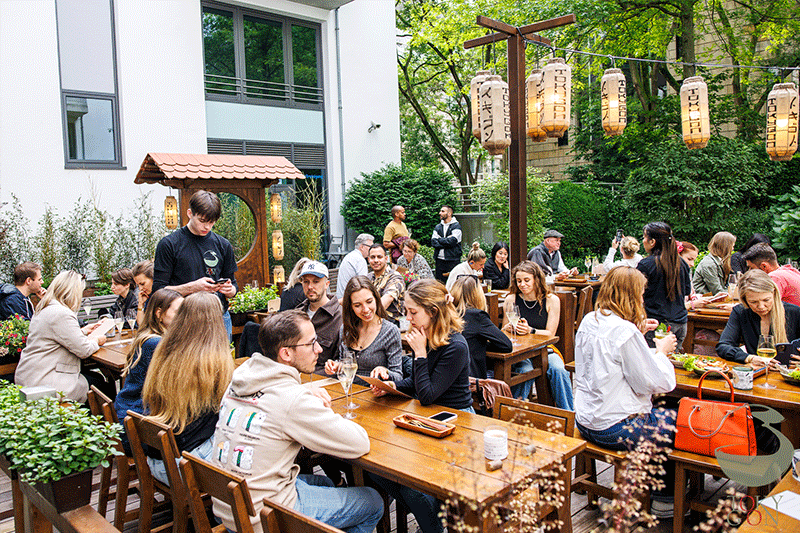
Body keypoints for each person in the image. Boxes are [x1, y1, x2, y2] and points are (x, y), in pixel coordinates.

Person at [212, 310, 384, 533]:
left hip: (228, 506)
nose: (319, 349)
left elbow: (274, 403)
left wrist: (303, 390)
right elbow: (359, 443)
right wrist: (311, 403)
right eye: (312, 343)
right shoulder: (291, 400)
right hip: (264, 517)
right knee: (372, 501)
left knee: (327, 483)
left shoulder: (242, 378)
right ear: (286, 354)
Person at [574, 266, 678, 517]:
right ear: (631, 295)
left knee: (663, 413)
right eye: (641, 294)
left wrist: (638, 334)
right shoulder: (624, 331)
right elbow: (655, 384)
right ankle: (665, 499)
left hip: (586, 420)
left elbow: (610, 362)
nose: (643, 299)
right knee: (681, 421)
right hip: (616, 430)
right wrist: (662, 351)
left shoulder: (591, 319)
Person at [370, 279, 472, 533]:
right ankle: (432, 520)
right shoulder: (427, 336)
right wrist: (389, 384)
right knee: (375, 470)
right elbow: (416, 383)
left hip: (456, 425)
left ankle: (432, 525)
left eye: (413, 312)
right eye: (407, 311)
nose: (408, 318)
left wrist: (419, 353)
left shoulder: (456, 345)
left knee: (411, 488)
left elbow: (427, 394)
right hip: (427, 420)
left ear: (433, 311)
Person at [141, 292, 233, 485]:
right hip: (184, 465)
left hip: (157, 461)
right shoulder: (211, 361)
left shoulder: (163, 351)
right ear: (215, 322)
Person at [14, 271, 114, 402]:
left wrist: (84, 331)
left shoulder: (46, 308)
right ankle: (105, 420)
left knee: (96, 379)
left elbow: (57, 336)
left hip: (33, 376)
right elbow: (84, 350)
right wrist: (97, 339)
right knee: (103, 387)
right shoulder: (62, 313)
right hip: (47, 381)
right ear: (73, 292)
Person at [153, 190, 238, 338]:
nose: (207, 227)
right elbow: (158, 291)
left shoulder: (223, 245)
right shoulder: (169, 244)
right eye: (202, 221)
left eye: (212, 222)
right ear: (190, 213)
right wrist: (192, 287)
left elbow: (234, 286)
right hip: (184, 319)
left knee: (221, 361)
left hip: (219, 318)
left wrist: (229, 290)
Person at [114, 289, 183, 454]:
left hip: (129, 416)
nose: (183, 316)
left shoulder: (146, 336)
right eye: (178, 312)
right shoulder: (155, 343)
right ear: (159, 313)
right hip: (137, 429)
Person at [502, 261, 573, 410]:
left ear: (536, 279)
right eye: (519, 280)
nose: (522, 284)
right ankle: (512, 413)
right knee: (524, 370)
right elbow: (504, 331)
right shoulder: (511, 299)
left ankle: (567, 414)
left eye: (526, 280)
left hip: (546, 348)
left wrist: (531, 330)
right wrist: (508, 328)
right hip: (521, 350)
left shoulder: (551, 300)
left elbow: (550, 333)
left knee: (558, 369)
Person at [326, 276, 403, 384]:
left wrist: (385, 371)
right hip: (349, 393)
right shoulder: (346, 329)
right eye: (358, 305)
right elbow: (344, 363)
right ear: (351, 307)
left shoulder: (390, 331)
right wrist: (336, 366)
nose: (365, 309)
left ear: (376, 299)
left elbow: (398, 376)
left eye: (369, 301)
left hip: (376, 395)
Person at [716, 269, 800, 364]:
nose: (761, 306)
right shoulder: (740, 312)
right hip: (758, 371)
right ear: (745, 300)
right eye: (753, 302)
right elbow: (723, 346)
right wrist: (749, 358)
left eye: (766, 300)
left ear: (774, 293)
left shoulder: (794, 312)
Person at [637, 222, 692, 348]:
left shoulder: (646, 265)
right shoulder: (681, 263)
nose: (643, 241)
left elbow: (635, 293)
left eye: (645, 237)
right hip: (680, 323)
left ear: (652, 242)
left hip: (656, 324)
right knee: (672, 362)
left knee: (653, 362)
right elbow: (687, 291)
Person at [451, 275, 512, 380]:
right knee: (513, 372)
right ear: (477, 296)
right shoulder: (476, 316)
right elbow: (506, 345)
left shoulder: (446, 314)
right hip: (471, 379)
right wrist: (482, 344)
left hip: (449, 376)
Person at [297, 261, 341, 374]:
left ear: (327, 284)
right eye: (306, 282)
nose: (310, 287)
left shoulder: (340, 317)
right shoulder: (296, 314)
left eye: (316, 282)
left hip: (323, 380)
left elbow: (343, 361)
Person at [368, 245, 405, 326]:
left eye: (379, 257)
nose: (376, 260)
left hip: (392, 324)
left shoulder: (395, 277)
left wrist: (366, 314)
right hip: (372, 321)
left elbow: (386, 300)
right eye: (373, 257)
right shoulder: (368, 277)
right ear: (368, 259)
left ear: (386, 258)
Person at [336, 233, 374, 300]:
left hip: (341, 297)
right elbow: (363, 285)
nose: (371, 250)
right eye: (370, 247)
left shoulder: (350, 256)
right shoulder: (360, 260)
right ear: (362, 247)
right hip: (349, 300)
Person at [431, 205, 462, 283]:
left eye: (442, 211)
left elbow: (453, 241)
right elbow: (434, 242)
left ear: (449, 213)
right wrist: (446, 241)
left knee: (453, 283)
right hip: (439, 261)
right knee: (439, 284)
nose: (439, 213)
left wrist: (440, 239)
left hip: (453, 260)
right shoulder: (438, 227)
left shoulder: (456, 226)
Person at [132, 260, 154, 326]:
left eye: (142, 284)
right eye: (138, 285)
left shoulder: (165, 296)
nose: (140, 289)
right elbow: (141, 325)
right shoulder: (148, 298)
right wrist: (141, 304)